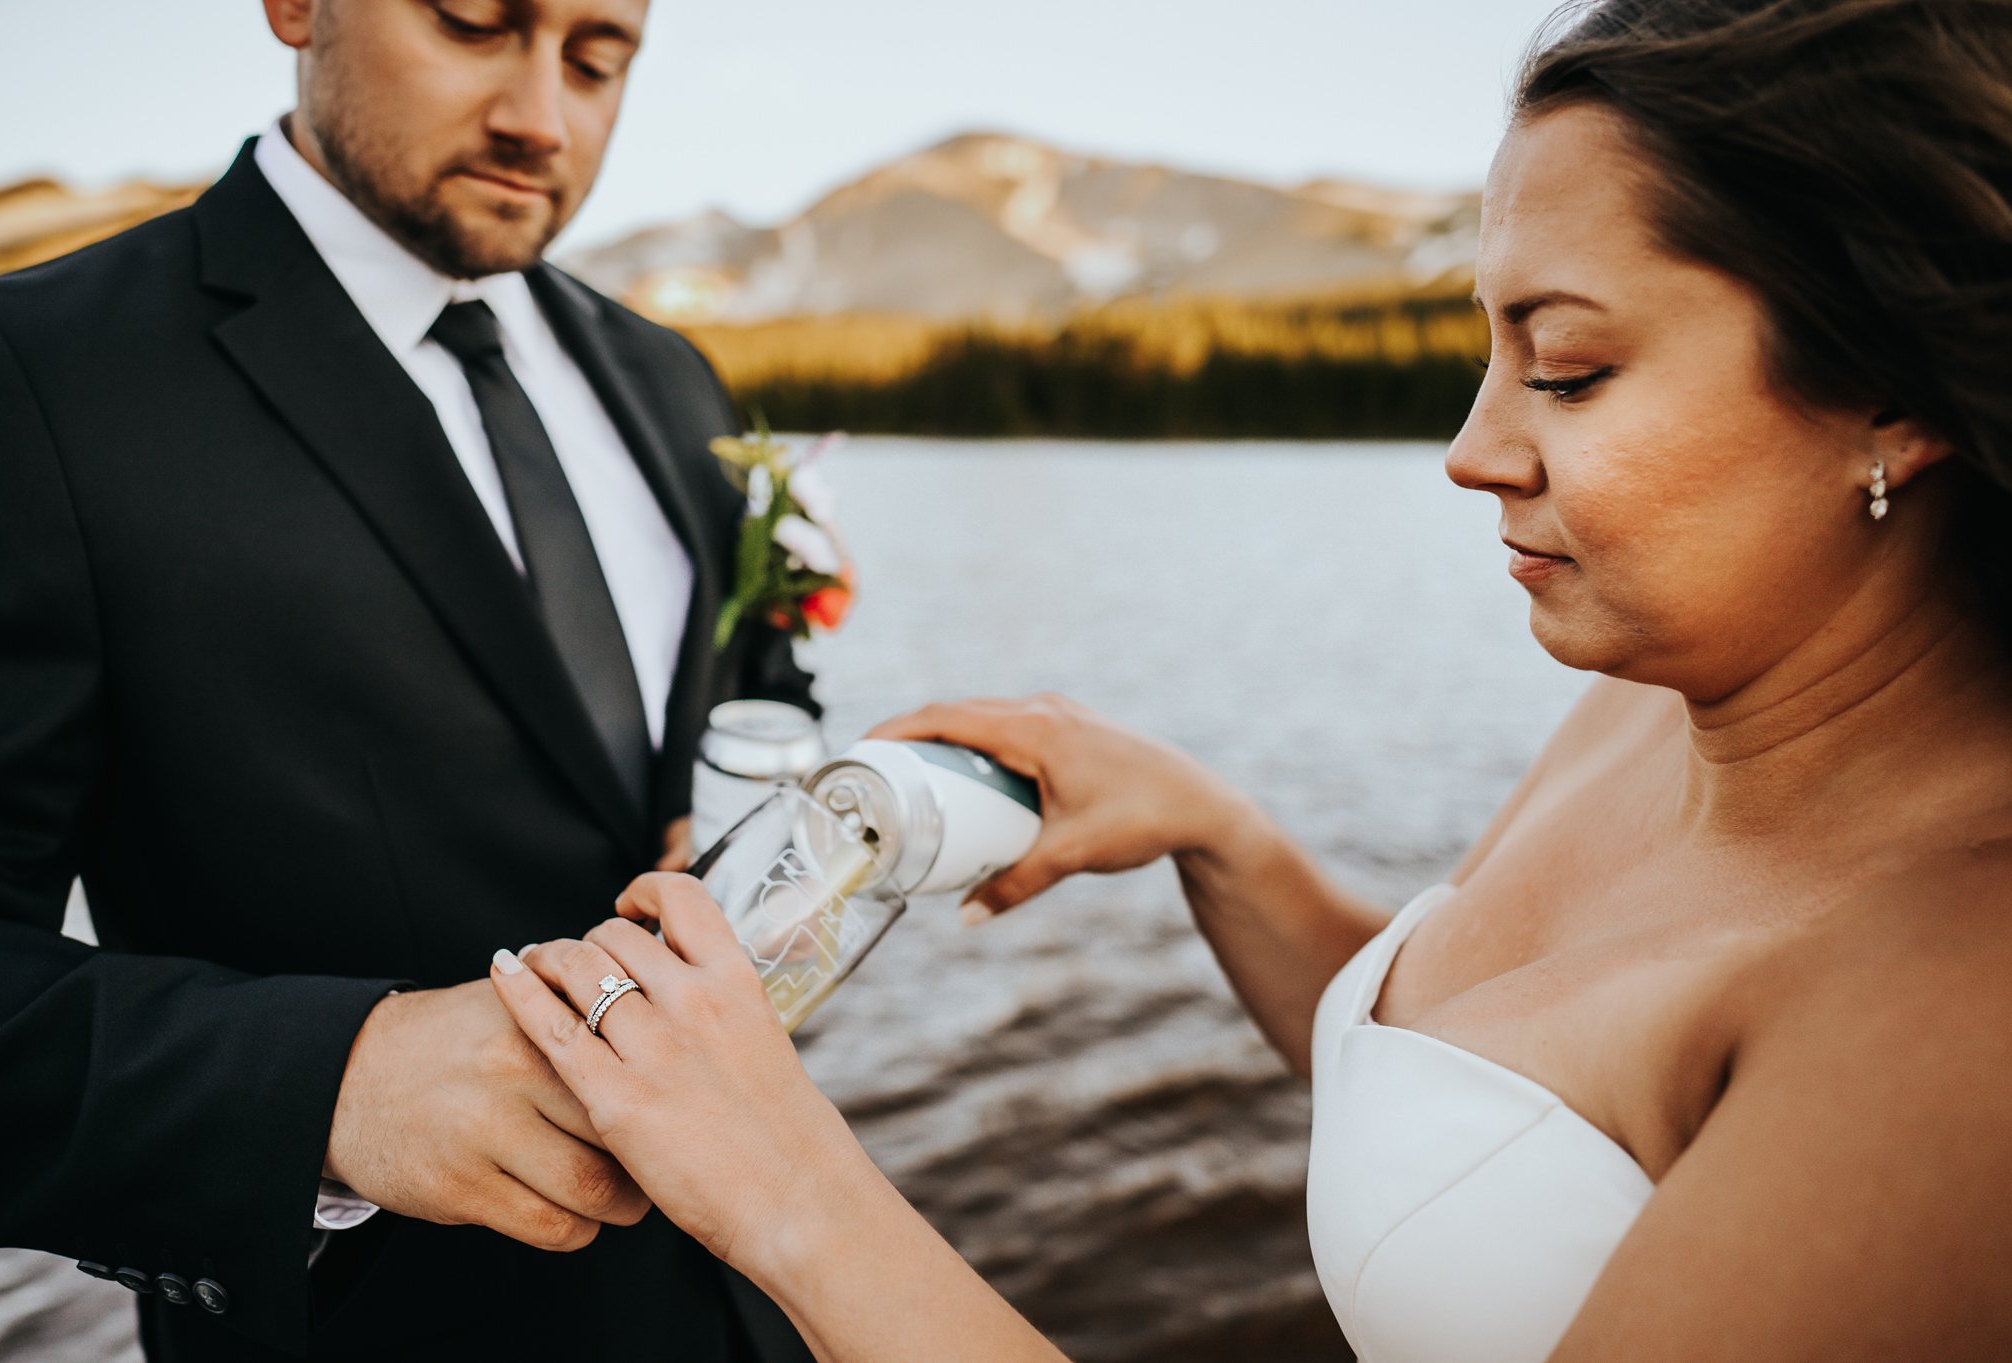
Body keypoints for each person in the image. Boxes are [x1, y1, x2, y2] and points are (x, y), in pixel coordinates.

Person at [487, 0, 2012, 1358]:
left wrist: (780, 1181)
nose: (1473, 451)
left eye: (1566, 369)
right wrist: (1215, 833)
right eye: (1487, 353)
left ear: (1887, 386)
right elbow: (1486, 1103)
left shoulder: (1963, 1020)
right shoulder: (1646, 704)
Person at [0, 1, 818, 1359]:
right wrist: (335, 1085)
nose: (544, 115)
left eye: (599, 59)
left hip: (756, 1299)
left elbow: (731, 715)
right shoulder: (27, 377)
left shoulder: (674, 380)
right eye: (477, 22)